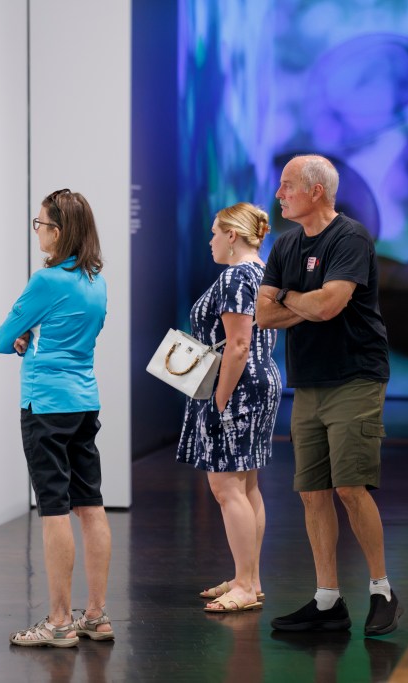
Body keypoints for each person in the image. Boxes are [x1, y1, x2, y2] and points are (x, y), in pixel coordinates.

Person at [256, 153, 402, 636]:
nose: (279, 194)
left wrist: (290, 299)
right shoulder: (285, 245)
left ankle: (382, 591)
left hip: (356, 376)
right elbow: (264, 315)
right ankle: (327, 602)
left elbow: (332, 304)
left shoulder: (350, 238)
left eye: (287, 186)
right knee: (312, 492)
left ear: (316, 190)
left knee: (350, 486)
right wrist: (307, 305)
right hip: (310, 380)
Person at [0, 189, 113, 648]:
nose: (38, 232)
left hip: (45, 405)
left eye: (41, 224)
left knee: (54, 509)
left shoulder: (46, 282)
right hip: (84, 401)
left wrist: (23, 335)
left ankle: (61, 621)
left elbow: (3, 339)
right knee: (91, 505)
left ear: (59, 232)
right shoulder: (95, 280)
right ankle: (97, 616)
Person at [176, 202, 282, 613]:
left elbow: (237, 344)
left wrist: (219, 398)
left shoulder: (238, 276)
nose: (210, 240)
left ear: (233, 236)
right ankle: (248, 579)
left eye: (215, 232)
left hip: (238, 387)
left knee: (225, 486)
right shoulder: (261, 272)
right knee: (246, 483)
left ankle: (244, 582)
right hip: (257, 383)